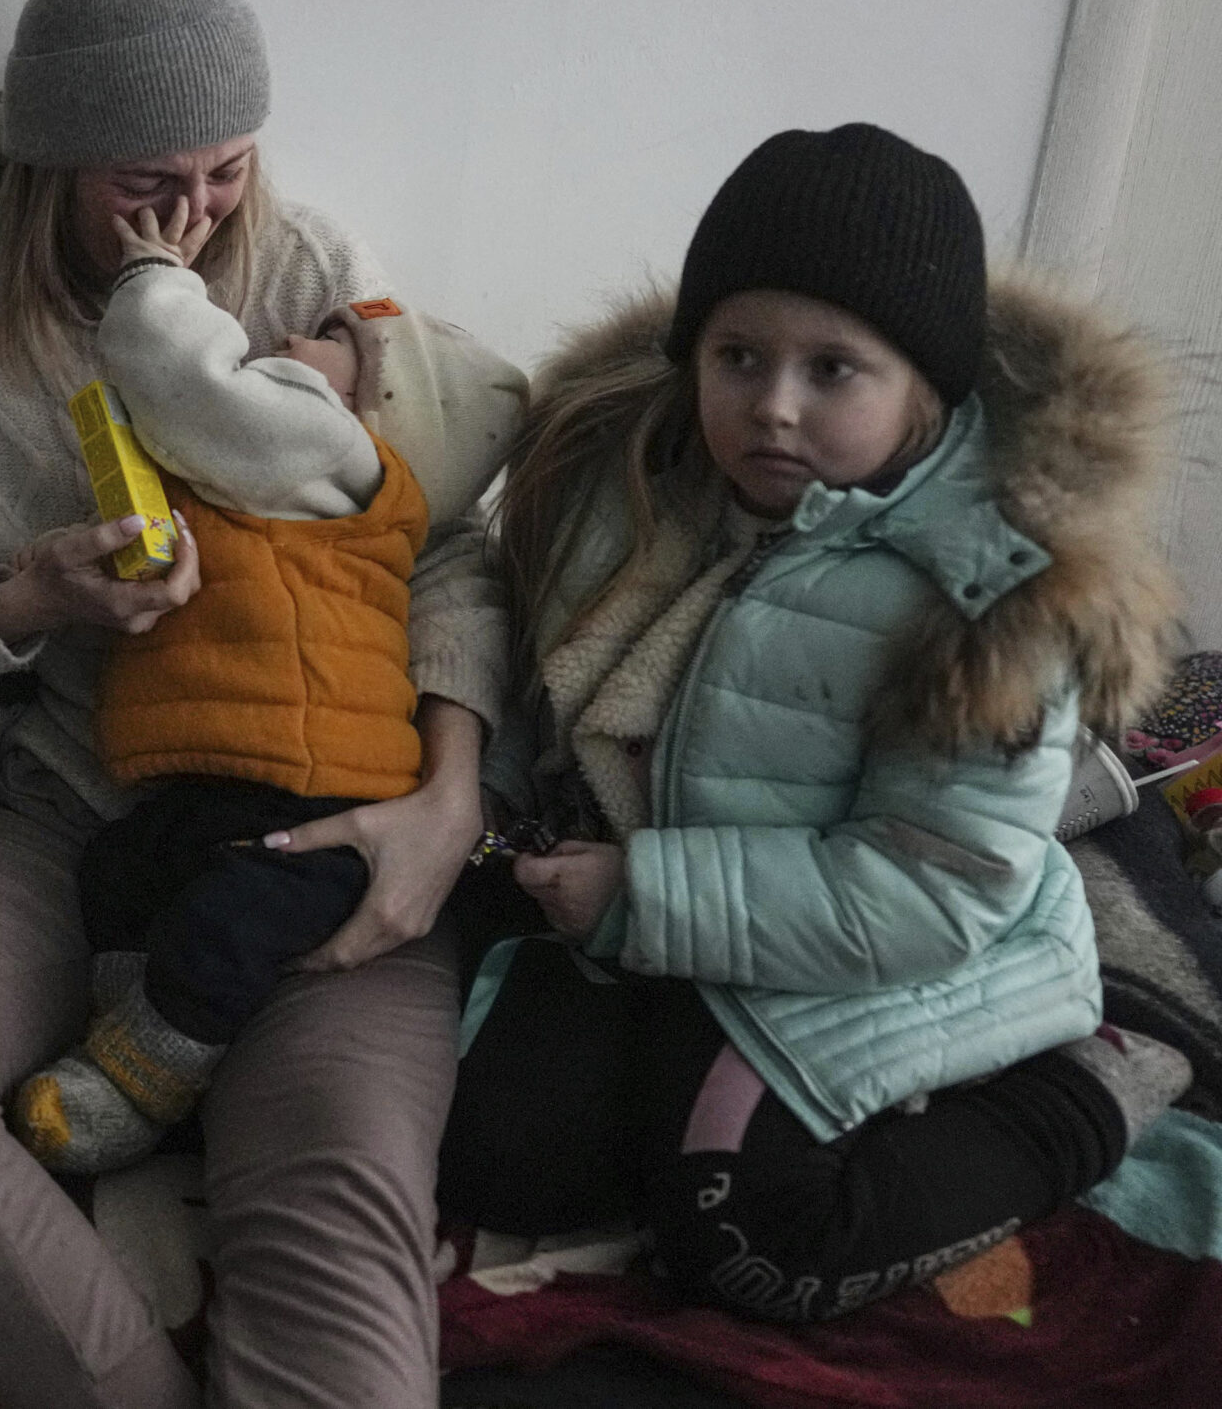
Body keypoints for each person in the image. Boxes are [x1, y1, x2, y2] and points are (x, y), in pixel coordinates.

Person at [0, 0, 511, 1409]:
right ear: (49, 163)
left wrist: (448, 796)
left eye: (226, 168)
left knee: (342, 1167)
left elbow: (444, 554)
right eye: (144, 184)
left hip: (323, 797)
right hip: (57, 812)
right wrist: (22, 603)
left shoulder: (307, 275)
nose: (192, 214)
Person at [447, 122, 1191, 1322]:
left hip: (901, 950)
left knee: (751, 1245)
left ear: (925, 387)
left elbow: (935, 894)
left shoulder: (985, 595)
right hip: (713, 927)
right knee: (497, 1160)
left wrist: (641, 898)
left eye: (833, 369)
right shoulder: (656, 487)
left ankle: (1090, 1089)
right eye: (737, 355)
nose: (773, 406)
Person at [11, 198, 525, 1175]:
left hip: (320, 801)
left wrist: (152, 279)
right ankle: (141, 1026)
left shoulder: (341, 458)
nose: (289, 337)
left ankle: (140, 1077)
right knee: (118, 871)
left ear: (386, 412)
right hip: (230, 780)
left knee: (223, 926)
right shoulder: (292, 491)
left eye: (332, 342)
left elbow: (191, 385)